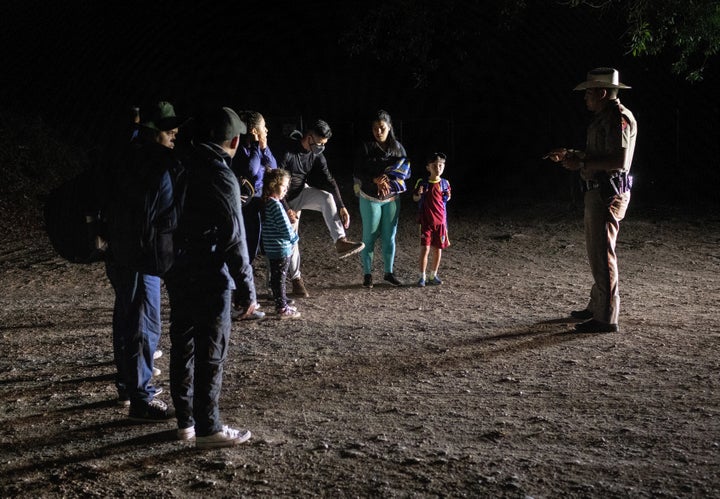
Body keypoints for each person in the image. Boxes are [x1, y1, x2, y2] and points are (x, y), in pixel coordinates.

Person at [164, 106, 259, 448]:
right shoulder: (220, 174)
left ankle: (185, 422)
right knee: (211, 350)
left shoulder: (179, 164)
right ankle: (209, 427)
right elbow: (234, 235)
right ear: (234, 140)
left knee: (183, 345)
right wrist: (247, 287)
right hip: (210, 271)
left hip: (177, 267)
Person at [104, 101, 182, 420]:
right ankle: (141, 398)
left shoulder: (124, 155)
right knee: (143, 322)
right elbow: (147, 217)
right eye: (168, 129)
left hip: (121, 252)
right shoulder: (153, 163)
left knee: (126, 315)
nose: (174, 133)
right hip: (139, 256)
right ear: (151, 130)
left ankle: (128, 384)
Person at [546, 67, 637, 333]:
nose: (585, 98)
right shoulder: (606, 118)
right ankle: (598, 305)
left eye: (588, 93)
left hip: (607, 192)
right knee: (597, 251)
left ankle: (607, 316)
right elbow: (602, 153)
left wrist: (582, 161)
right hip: (600, 190)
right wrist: (571, 154)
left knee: (602, 252)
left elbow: (618, 161)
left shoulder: (618, 118)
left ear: (602, 92)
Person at [276, 119, 364, 297]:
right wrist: (286, 208)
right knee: (292, 239)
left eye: (324, 144)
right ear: (309, 137)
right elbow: (275, 182)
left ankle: (340, 241)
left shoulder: (316, 154)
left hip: (301, 192)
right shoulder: (288, 152)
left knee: (327, 197)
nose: (321, 147)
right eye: (319, 143)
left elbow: (329, 180)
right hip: (283, 198)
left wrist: (341, 206)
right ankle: (296, 280)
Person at [353, 109, 411, 288]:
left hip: (392, 198)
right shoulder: (366, 147)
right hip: (370, 196)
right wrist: (375, 179)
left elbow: (406, 170)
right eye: (375, 128)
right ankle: (368, 275)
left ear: (389, 127)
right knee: (369, 236)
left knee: (389, 236)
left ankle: (389, 272)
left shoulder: (397, 148)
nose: (378, 131)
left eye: (382, 128)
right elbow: (357, 171)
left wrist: (390, 178)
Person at [261, 168, 302, 319]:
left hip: (272, 247)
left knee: (277, 277)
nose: (286, 190)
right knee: (280, 278)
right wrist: (294, 239)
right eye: (283, 186)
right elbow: (285, 227)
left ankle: (281, 300)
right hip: (280, 247)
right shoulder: (276, 205)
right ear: (273, 185)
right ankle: (282, 308)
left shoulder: (267, 203)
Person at [412, 152, 451, 287]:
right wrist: (419, 194)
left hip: (440, 222)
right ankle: (422, 276)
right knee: (425, 249)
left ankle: (433, 275)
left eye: (441, 165)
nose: (438, 168)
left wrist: (448, 196)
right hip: (426, 222)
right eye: (434, 165)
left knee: (438, 249)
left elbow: (446, 199)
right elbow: (415, 198)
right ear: (428, 167)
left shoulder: (445, 183)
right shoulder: (422, 183)